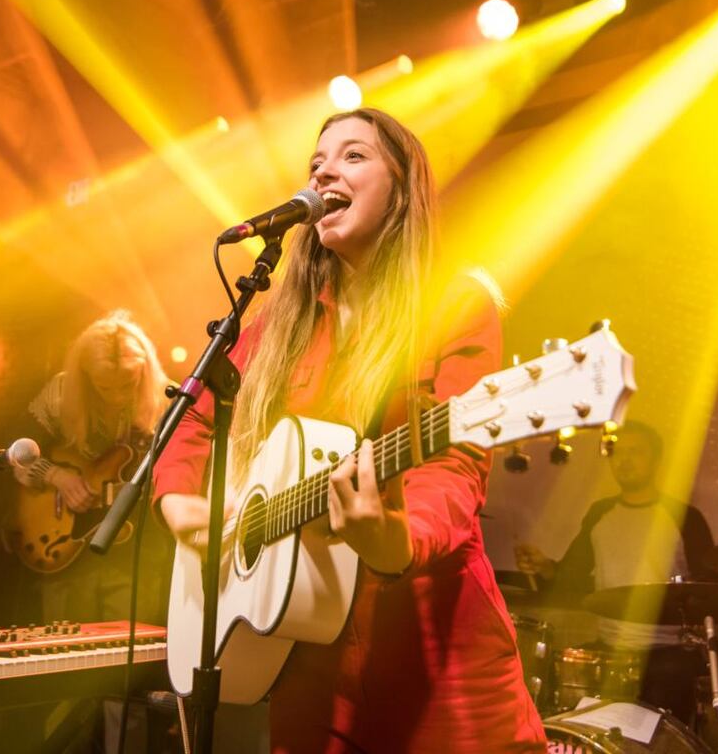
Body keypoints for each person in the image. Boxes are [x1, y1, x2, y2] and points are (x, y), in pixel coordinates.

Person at [153, 108, 547, 752]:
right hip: (307, 669)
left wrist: (392, 539)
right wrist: (176, 500)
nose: (326, 169)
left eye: (354, 156)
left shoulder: (454, 304)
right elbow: (190, 413)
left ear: (402, 185)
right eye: (316, 162)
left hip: (437, 668)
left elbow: (454, 470)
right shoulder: (282, 321)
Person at [515, 419, 718, 722]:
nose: (624, 460)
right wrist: (544, 566)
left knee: (667, 690)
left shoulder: (685, 518)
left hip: (667, 652)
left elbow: (712, 591)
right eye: (617, 452)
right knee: (563, 677)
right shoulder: (600, 513)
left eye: (635, 452)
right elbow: (571, 577)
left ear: (656, 459)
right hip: (609, 648)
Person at [9, 309, 173, 625]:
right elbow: (18, 453)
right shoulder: (59, 393)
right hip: (63, 552)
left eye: (127, 384)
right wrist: (55, 475)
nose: (116, 396)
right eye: (104, 387)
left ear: (144, 371)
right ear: (84, 376)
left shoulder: (169, 400)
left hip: (137, 557)